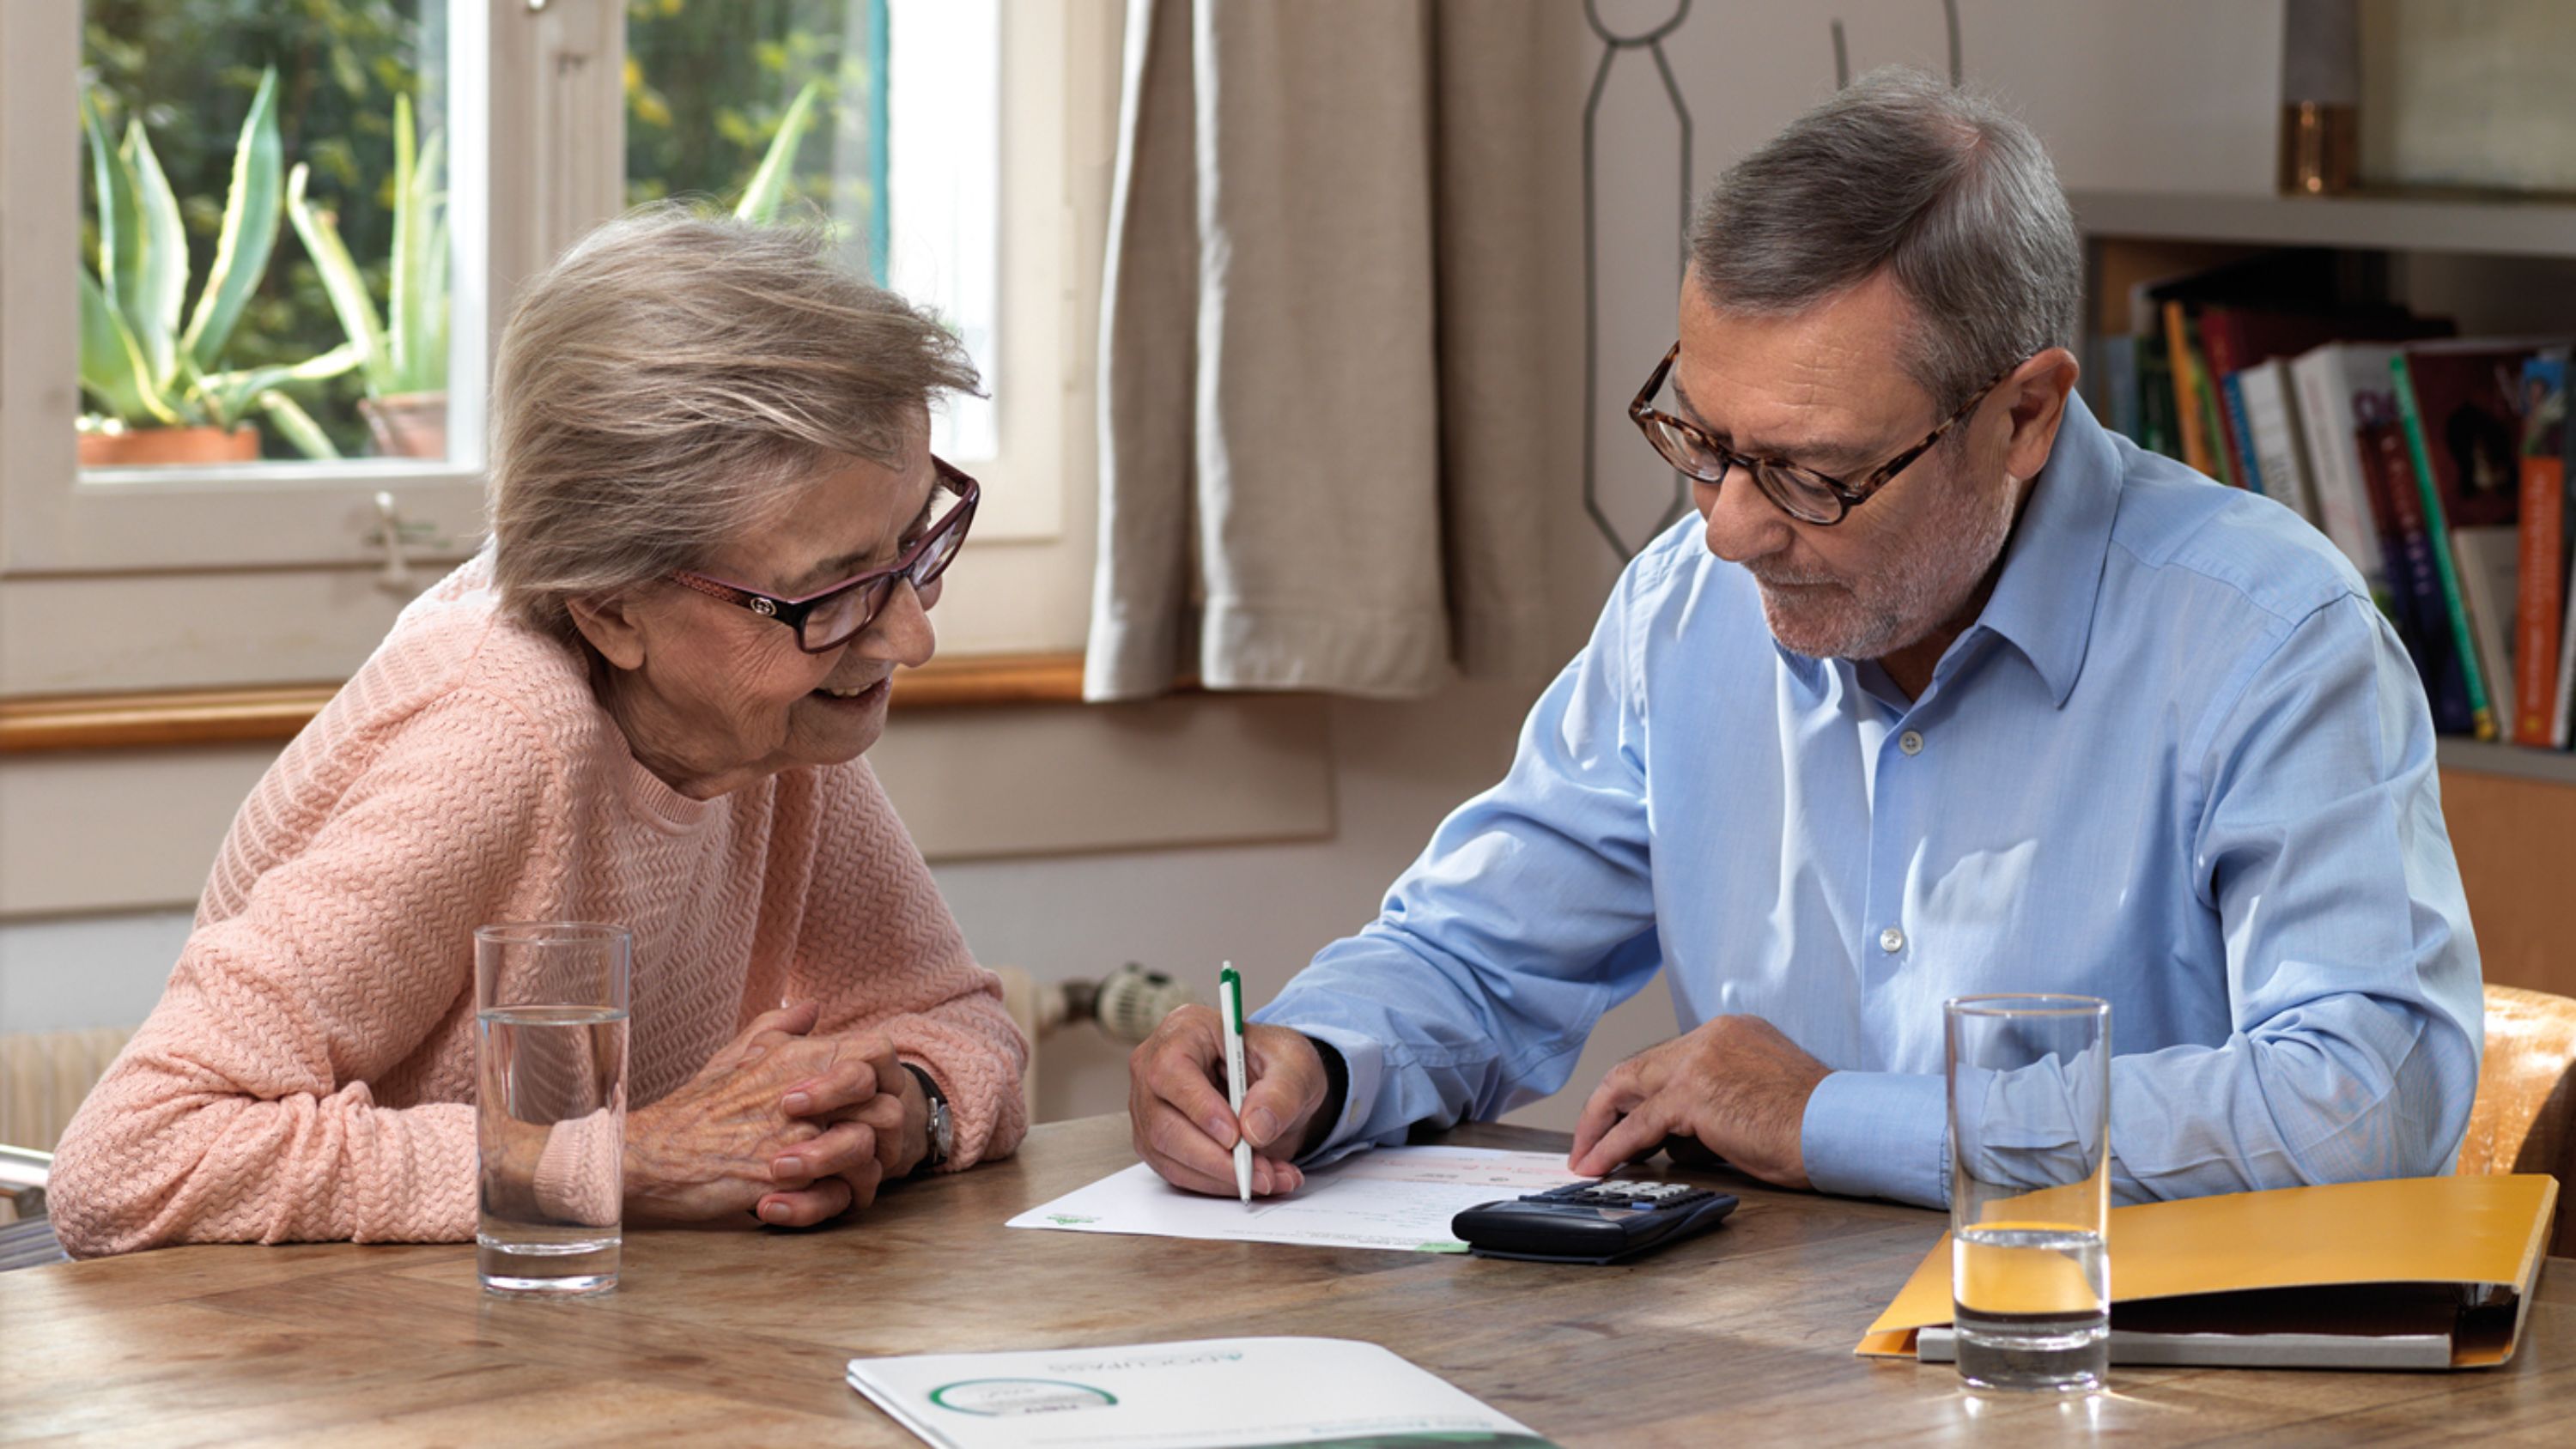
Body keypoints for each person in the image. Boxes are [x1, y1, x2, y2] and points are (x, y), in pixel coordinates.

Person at [1129, 69, 2482, 1210]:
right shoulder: (1687, 602)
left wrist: (1835, 1117)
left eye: (1811, 473)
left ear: (2025, 416)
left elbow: (2363, 1102)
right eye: (1702, 444)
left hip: (2118, 1379)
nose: (1726, 531)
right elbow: (1479, 950)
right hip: (1756, 1368)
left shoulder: (2269, 638)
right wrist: (1316, 1056)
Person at [52, 211, 1028, 1256]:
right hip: (337, 1374)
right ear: (610, 610)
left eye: (912, 546)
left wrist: (902, 1115)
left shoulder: (769, 715)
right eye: (833, 589)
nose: (911, 635)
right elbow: (131, 1158)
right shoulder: (497, 738)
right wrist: (627, 1159)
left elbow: (959, 1024)